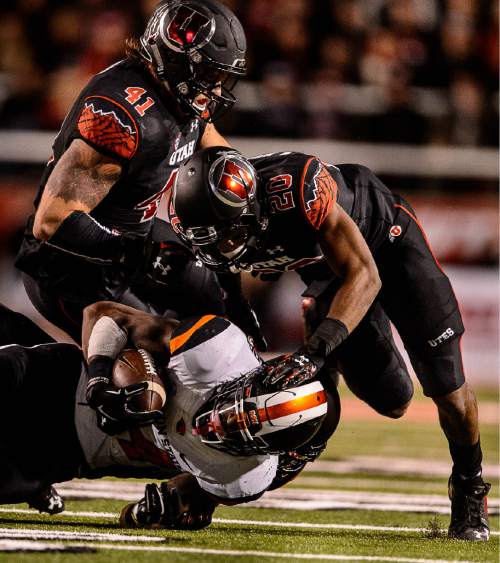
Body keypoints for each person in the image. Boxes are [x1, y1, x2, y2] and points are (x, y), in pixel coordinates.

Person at [169, 146, 491, 541]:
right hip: (330, 276)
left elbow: (365, 275)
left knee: (449, 388)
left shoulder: (296, 189)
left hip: (386, 246)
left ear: (252, 206)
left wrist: (316, 350)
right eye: (210, 238)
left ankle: (469, 487)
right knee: (392, 399)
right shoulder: (217, 227)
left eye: (228, 232)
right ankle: (207, 484)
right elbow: (229, 288)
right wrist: (248, 339)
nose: (221, 246)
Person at [15, 0, 248, 346]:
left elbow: (211, 144)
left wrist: (248, 195)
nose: (215, 90)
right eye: (210, 76)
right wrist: (140, 255)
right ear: (178, 63)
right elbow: (51, 221)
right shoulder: (123, 117)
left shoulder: (178, 94)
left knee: (221, 299)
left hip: (132, 239)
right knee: (155, 354)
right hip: (72, 267)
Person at [0, 302, 340, 529]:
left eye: (241, 434)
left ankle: (32, 487)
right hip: (52, 381)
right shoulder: (214, 352)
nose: (220, 423)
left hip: (62, 458)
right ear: (250, 378)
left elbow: (166, 507)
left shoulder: (245, 477)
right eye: (238, 409)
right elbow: (105, 314)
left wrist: (158, 510)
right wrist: (100, 379)